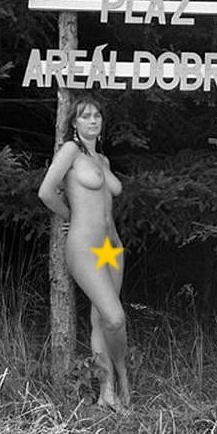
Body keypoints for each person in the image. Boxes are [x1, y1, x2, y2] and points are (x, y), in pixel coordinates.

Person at [38, 94, 130, 410]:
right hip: (84, 246)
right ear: (74, 123)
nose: (92, 121)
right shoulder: (70, 151)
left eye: (97, 116)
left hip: (111, 248)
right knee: (115, 318)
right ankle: (121, 380)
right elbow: (46, 192)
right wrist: (70, 215)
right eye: (85, 116)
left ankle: (108, 392)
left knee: (102, 320)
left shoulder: (102, 160)